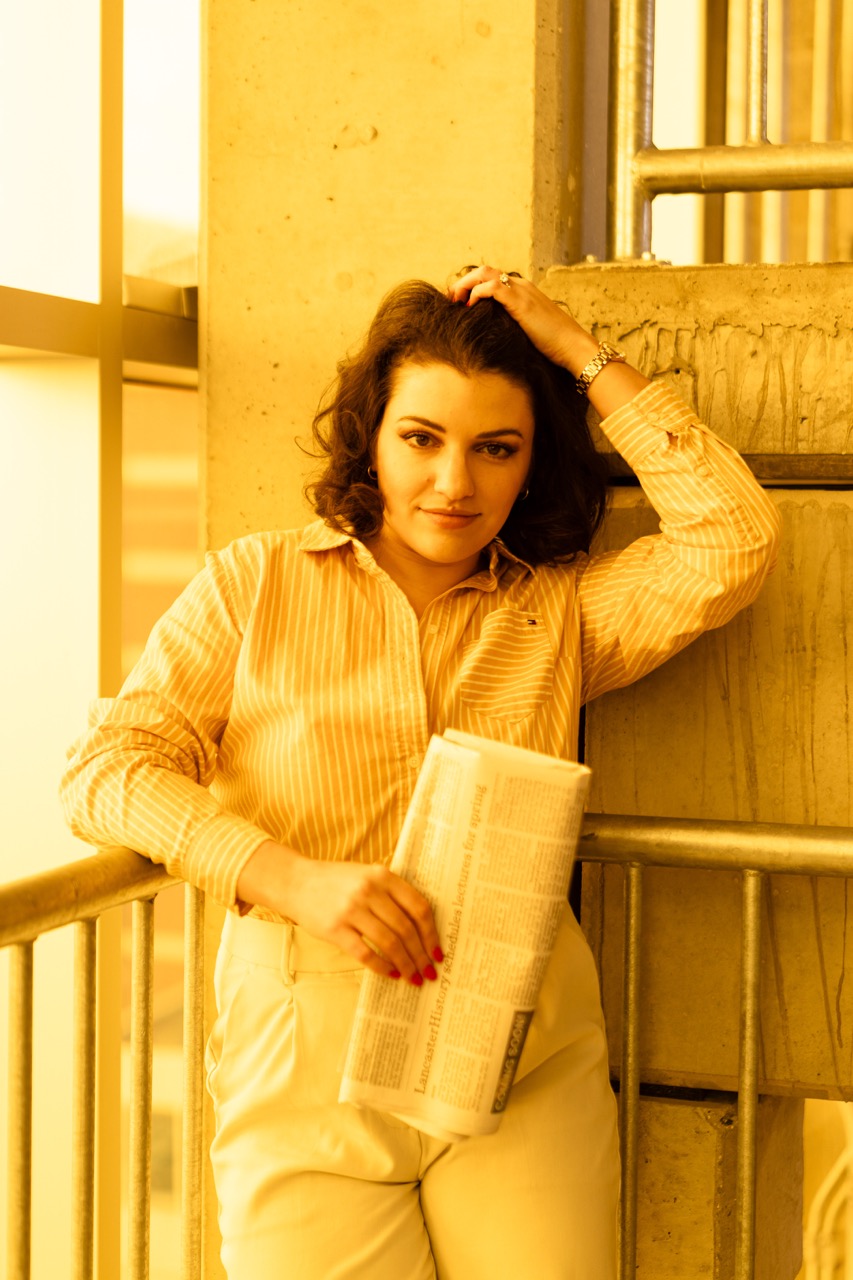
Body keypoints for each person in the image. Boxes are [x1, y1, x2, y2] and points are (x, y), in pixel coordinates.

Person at [60, 264, 781, 1279]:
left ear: (531, 464)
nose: (454, 482)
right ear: (369, 436)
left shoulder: (559, 611)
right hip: (301, 1047)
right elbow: (104, 768)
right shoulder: (251, 584)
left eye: (496, 448)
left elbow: (733, 537)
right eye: (421, 438)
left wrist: (577, 352)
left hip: (521, 1042)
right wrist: (291, 876)